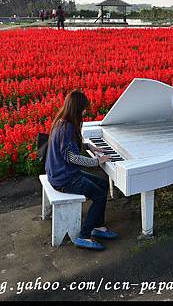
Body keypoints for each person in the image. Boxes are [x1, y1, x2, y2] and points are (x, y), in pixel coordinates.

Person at [45, 89, 118, 250]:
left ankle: (97, 226)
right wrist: (97, 161)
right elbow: (72, 157)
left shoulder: (61, 122)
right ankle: (84, 235)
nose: (85, 111)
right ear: (77, 108)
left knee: (103, 185)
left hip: (60, 173)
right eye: (84, 108)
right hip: (64, 178)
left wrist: (88, 146)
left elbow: (68, 148)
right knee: (99, 195)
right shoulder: (68, 128)